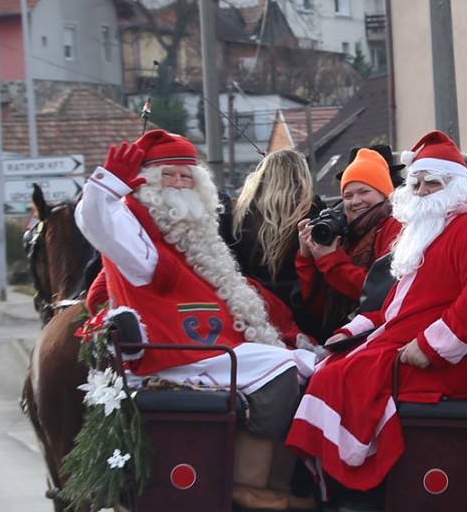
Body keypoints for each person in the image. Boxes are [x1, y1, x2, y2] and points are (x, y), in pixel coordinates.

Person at [287, 130, 467, 493]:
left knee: (336, 378)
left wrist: (431, 346)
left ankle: (350, 484)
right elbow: (400, 304)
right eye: (416, 184)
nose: (422, 192)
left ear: (458, 184)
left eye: (432, 183)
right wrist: (353, 331)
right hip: (404, 340)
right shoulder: (432, 228)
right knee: (323, 366)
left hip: (445, 363)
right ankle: (333, 483)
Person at [74, 130, 308, 439]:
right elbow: (97, 222)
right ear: (148, 183)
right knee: (282, 369)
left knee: (308, 364)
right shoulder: (135, 226)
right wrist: (107, 187)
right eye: (168, 176)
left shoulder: (192, 234)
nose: (180, 184)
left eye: (187, 177)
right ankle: (252, 469)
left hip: (208, 347)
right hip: (176, 355)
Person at [296, 146, 403, 335]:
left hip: (377, 330)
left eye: (364, 192)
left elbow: (378, 292)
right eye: (348, 195)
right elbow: (316, 307)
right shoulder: (345, 232)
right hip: (339, 332)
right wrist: (306, 258)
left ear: (384, 193)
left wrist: (331, 260)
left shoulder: (394, 227)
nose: (355, 201)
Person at [229, 148, 320, 335]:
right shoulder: (312, 214)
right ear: (302, 176)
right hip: (301, 312)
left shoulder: (240, 214)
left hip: (253, 308)